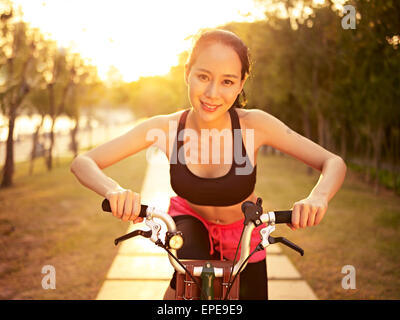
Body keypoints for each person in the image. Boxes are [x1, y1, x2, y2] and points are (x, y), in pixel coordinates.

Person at [70, 29, 347, 300]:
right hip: (189, 225)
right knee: (190, 284)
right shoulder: (166, 129)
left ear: (240, 84)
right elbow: (84, 162)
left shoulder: (256, 125)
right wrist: (114, 189)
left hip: (244, 234)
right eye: (203, 76)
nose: (212, 93)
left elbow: (332, 162)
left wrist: (318, 198)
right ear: (187, 74)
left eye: (227, 81)